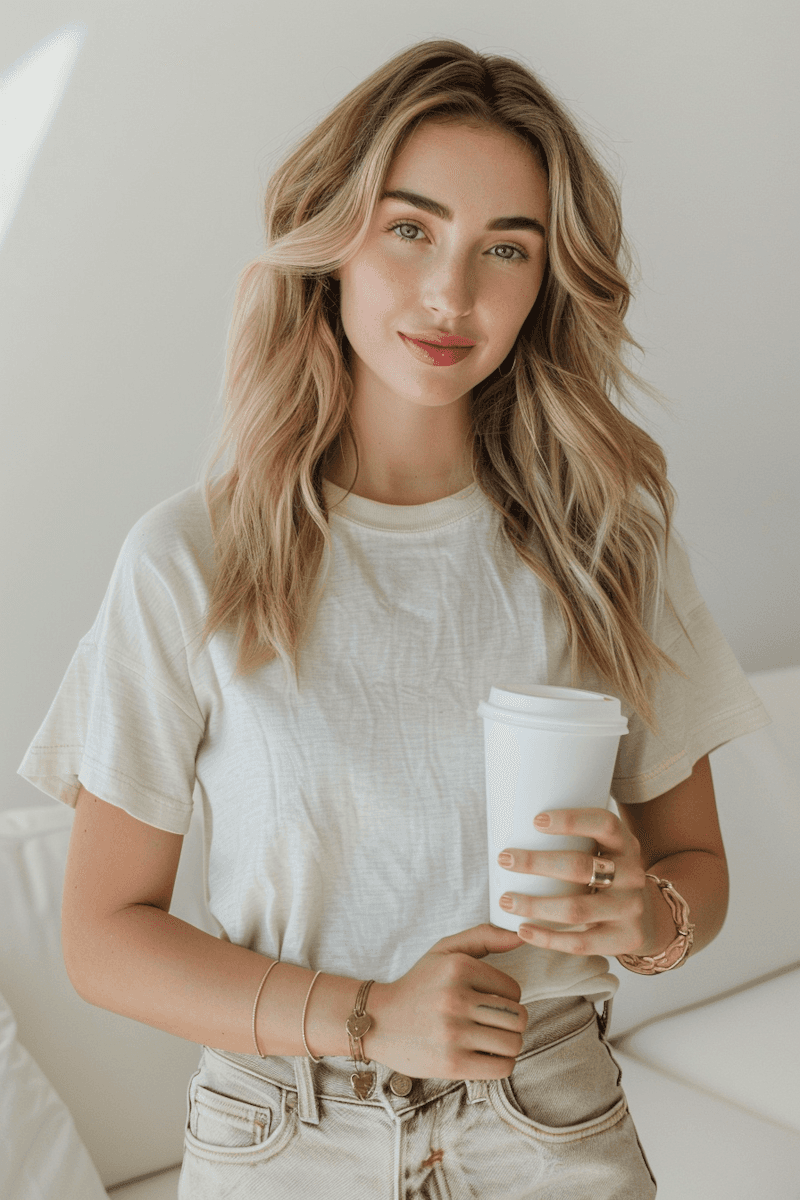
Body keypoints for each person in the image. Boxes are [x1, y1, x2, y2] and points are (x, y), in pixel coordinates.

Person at [18, 38, 770, 1200]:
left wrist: (647, 914)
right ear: (332, 237)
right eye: (410, 227)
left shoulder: (606, 540)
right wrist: (368, 1020)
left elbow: (694, 872)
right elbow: (103, 935)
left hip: (547, 1117)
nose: (450, 296)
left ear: (544, 281)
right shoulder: (192, 559)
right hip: (280, 1129)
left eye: (503, 251)